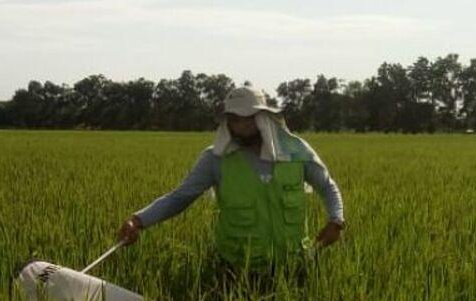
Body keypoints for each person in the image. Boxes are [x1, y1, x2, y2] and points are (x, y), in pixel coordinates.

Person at [117, 85, 345, 273]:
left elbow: (327, 186)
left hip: (294, 267)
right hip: (237, 272)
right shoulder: (216, 159)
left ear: (263, 117)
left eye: (247, 119)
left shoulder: (296, 152)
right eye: (234, 120)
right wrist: (138, 221)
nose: (241, 126)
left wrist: (336, 220)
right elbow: (179, 198)